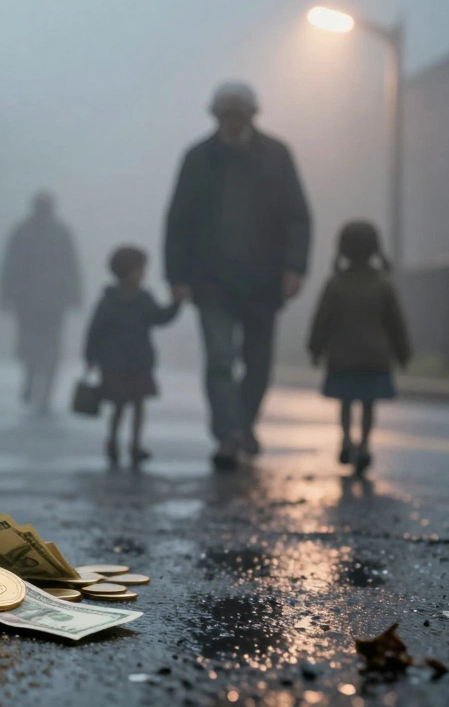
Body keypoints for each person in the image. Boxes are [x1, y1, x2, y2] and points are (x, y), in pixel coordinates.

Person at [164, 81, 312, 469]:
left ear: (251, 116)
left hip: (263, 281)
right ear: (215, 117)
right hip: (211, 280)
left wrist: (295, 267)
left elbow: (297, 216)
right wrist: (177, 275)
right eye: (225, 115)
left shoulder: (277, 156)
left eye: (238, 115)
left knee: (258, 362)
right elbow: (178, 220)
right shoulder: (197, 159)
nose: (231, 122)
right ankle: (228, 433)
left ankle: (244, 425)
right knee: (219, 359)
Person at [307, 221, 411, 472]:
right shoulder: (383, 285)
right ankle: (364, 445)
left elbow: (321, 320)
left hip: (342, 358)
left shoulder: (335, 284)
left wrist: (315, 348)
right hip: (374, 358)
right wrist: (403, 353)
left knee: (345, 402)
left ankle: (345, 440)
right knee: (368, 403)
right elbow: (396, 324)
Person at [84, 246, 182, 467]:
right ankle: (118, 442)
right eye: (140, 270)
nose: (143, 274)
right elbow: (95, 332)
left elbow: (160, 317)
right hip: (124, 364)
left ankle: (130, 444)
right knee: (126, 405)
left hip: (128, 364)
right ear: (129, 271)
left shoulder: (115, 301)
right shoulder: (124, 301)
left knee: (133, 405)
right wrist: (90, 357)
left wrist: (176, 305)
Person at [0, 190, 84, 414]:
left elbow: (9, 266)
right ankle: (44, 390)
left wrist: (6, 295)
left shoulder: (23, 231)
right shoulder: (59, 232)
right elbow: (71, 266)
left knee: (31, 342)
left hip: (27, 300)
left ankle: (31, 381)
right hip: (52, 300)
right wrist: (75, 295)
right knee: (50, 345)